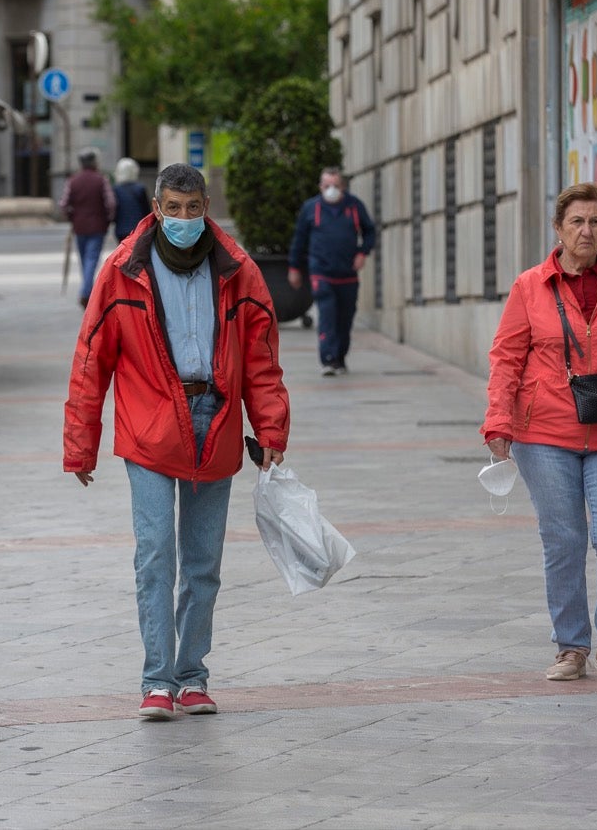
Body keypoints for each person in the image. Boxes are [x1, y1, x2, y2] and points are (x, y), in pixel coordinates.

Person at [64, 163, 291, 721]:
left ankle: (192, 677)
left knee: (203, 562)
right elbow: (92, 359)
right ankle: (157, 680)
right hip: (148, 427)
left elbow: (261, 359)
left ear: (205, 206)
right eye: (173, 208)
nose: (184, 219)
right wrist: (81, 444)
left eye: (193, 209)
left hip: (213, 423)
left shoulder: (238, 270)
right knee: (156, 555)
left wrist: (271, 429)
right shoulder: (122, 270)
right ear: (157, 208)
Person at [480, 182, 597, 685]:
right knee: (563, 539)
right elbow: (507, 358)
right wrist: (498, 421)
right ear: (558, 229)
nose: (587, 230)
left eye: (596, 222)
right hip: (545, 434)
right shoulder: (529, 286)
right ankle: (572, 646)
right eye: (577, 222)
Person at [288, 167, 376, 376]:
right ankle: (328, 359)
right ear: (320, 187)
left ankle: (340, 357)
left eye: (336, 186)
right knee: (327, 316)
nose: (332, 190)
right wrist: (294, 268)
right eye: (327, 186)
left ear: (343, 186)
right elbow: (299, 240)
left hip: (347, 274)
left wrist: (362, 253)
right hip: (321, 272)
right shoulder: (311, 209)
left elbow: (370, 231)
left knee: (344, 319)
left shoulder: (354, 206)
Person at [59, 147, 115, 307]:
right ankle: (86, 293)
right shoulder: (101, 179)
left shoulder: (73, 180)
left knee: (85, 259)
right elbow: (110, 203)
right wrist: (108, 219)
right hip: (98, 226)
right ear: (94, 162)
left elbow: (63, 204)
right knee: (91, 259)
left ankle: (87, 291)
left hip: (79, 226)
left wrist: (71, 217)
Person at [112, 157, 149, 243]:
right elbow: (146, 209)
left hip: (121, 228)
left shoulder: (116, 189)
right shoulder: (140, 188)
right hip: (138, 227)